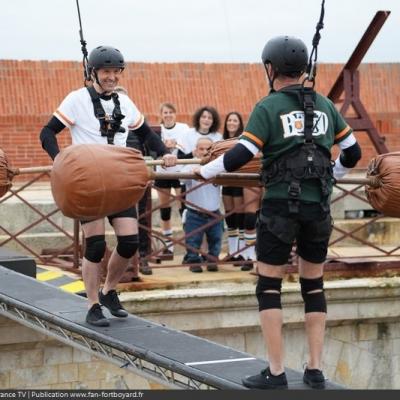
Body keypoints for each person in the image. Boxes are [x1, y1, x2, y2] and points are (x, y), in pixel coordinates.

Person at [197, 36, 361, 389]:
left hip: (278, 207)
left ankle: (275, 371)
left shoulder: (268, 107)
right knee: (313, 285)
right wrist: (335, 175)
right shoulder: (325, 106)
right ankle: (315, 369)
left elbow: (242, 154)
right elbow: (353, 152)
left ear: (270, 68)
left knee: (269, 285)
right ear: (303, 69)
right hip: (318, 207)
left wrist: (204, 173)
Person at [39, 45, 176, 327]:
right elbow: (47, 132)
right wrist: (60, 161)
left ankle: (108, 291)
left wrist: (164, 153)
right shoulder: (76, 99)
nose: (112, 77)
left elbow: (147, 134)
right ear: (94, 73)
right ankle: (92, 305)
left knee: (129, 242)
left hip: (119, 179)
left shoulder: (125, 103)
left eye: (116, 72)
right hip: (89, 181)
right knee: (95, 245)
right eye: (106, 71)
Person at [181, 137, 223, 273]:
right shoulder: (189, 166)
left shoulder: (219, 166)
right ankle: (193, 261)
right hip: (194, 212)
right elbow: (181, 178)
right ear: (195, 150)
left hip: (214, 211)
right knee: (192, 240)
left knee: (216, 239)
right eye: (201, 149)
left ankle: (212, 260)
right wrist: (195, 170)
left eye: (208, 149)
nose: (205, 152)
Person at [153, 103, 189, 258]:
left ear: (175, 114)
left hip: (180, 172)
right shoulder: (156, 130)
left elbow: (188, 146)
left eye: (170, 112)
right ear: (161, 115)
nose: (168, 115)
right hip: (163, 173)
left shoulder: (184, 128)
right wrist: (164, 146)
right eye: (165, 112)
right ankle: (169, 246)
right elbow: (153, 148)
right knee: (165, 210)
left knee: (185, 209)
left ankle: (190, 244)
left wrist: (175, 144)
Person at [221, 112, 245, 265]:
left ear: (239, 123)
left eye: (235, 120)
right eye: (229, 120)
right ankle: (232, 251)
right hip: (226, 180)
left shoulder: (242, 139)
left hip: (240, 179)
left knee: (240, 216)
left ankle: (242, 252)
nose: (231, 123)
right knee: (230, 216)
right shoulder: (221, 140)